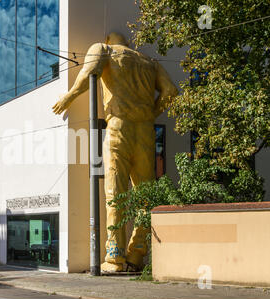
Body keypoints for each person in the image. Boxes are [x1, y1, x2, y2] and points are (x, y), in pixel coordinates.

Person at [52, 32, 178, 272]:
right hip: (145, 130)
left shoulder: (104, 49)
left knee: (115, 193)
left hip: (119, 126)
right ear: (128, 44)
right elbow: (170, 91)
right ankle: (137, 255)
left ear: (109, 40)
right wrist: (150, 114)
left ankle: (114, 258)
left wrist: (69, 97)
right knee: (145, 196)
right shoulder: (150, 62)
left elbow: (90, 73)